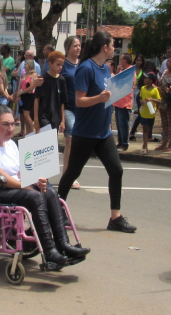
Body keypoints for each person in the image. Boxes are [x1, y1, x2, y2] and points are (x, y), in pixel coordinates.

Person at [0, 104, 88, 267]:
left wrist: (36, 180)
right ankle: (49, 251)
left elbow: (20, 171)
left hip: (13, 185)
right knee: (35, 196)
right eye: (5, 124)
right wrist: (25, 185)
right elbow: (1, 177)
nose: (10, 128)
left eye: (13, 124)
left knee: (50, 192)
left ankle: (63, 244)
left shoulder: (10, 143)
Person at [57, 30, 137, 232]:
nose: (114, 48)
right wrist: (99, 99)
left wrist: (112, 97)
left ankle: (115, 217)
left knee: (116, 170)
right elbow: (78, 101)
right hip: (86, 132)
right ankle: (57, 210)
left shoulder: (105, 69)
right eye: (112, 45)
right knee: (72, 172)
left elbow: (107, 95)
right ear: (105, 47)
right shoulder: (86, 68)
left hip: (103, 132)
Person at [61, 36, 82, 189]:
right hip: (67, 106)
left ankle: (69, 174)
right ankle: (68, 175)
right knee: (71, 139)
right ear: (67, 48)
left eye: (79, 45)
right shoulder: (63, 65)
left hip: (82, 108)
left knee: (78, 142)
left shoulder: (83, 65)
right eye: (75, 45)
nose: (78, 48)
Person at [154, 54, 171, 152]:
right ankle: (164, 142)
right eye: (168, 61)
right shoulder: (164, 72)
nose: (168, 63)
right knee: (164, 123)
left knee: (170, 123)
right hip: (162, 101)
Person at [138, 72, 160, 154]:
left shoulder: (155, 90)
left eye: (147, 78)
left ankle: (145, 144)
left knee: (149, 129)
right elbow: (140, 97)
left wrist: (151, 99)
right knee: (145, 129)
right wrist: (141, 102)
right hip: (144, 112)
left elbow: (159, 100)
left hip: (151, 113)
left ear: (151, 81)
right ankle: (145, 146)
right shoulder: (143, 88)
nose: (145, 80)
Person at [129, 54, 146, 141]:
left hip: (139, 91)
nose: (138, 62)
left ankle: (133, 128)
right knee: (129, 109)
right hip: (131, 90)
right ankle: (129, 127)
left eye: (140, 60)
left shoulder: (143, 70)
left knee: (137, 111)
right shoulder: (132, 69)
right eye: (137, 60)